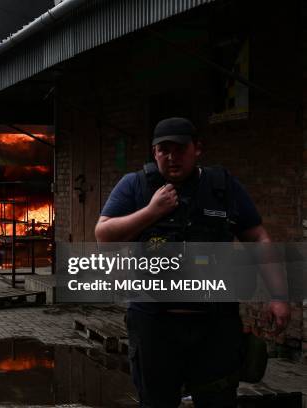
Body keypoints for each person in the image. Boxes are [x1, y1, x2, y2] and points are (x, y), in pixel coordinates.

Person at [94, 117, 290, 407]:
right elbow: (103, 236)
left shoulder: (222, 187)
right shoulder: (135, 185)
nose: (172, 157)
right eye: (164, 150)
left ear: (197, 149)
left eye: (180, 149)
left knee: (218, 400)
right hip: (155, 324)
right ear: (154, 152)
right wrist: (151, 211)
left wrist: (279, 297)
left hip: (215, 325)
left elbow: (258, 238)